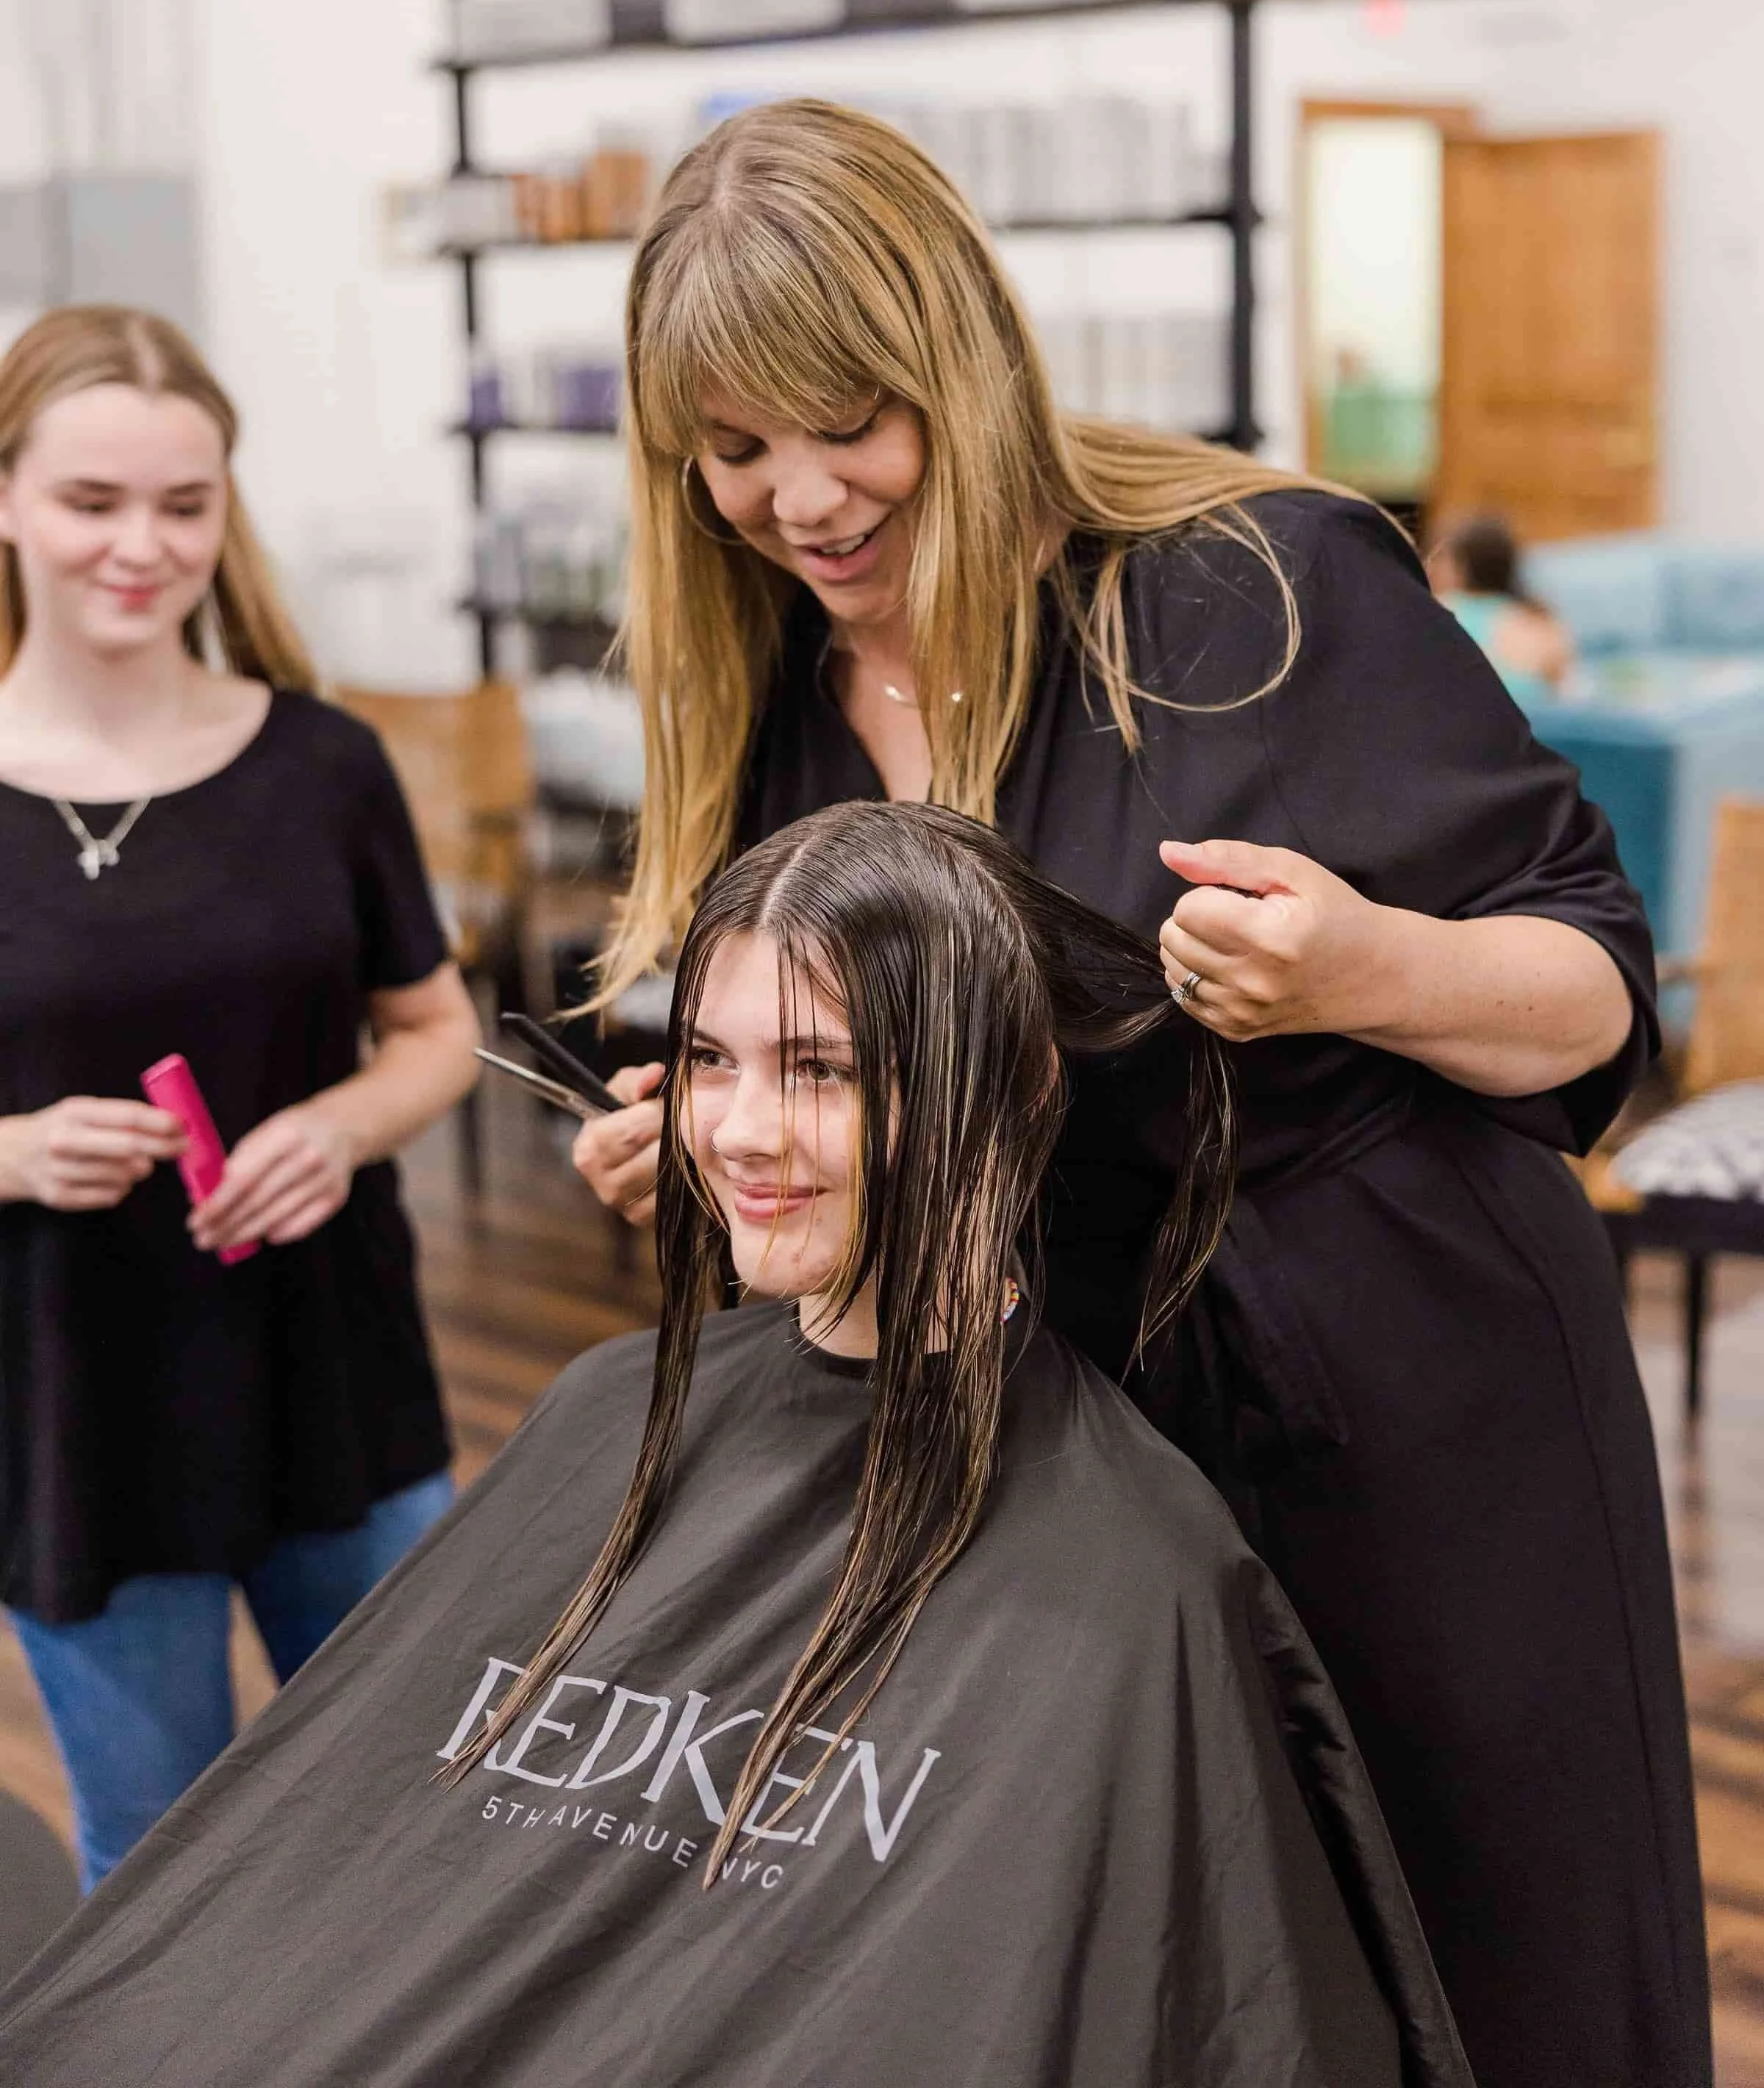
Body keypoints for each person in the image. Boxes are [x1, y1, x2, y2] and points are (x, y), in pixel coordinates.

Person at [573, 99, 1709, 2088]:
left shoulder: (1251, 592)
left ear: (963, 360)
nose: (803, 498)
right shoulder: (767, 702)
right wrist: (732, 1125)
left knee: (1492, 1968)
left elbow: (1604, 1002)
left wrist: (1368, 967)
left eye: (849, 423)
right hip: (1060, 1448)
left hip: (1413, 1405)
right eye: (734, 452)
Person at [0, 804, 1474, 2087]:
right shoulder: (603, 1412)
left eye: (821, 1071)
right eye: (710, 1058)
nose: (738, 1131)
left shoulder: (1134, 1573)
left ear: (1018, 1087)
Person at [0, 303, 478, 1888]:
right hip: (71, 1417)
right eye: (92, 502)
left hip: (332, 1378)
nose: (143, 546)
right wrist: (8, 1152)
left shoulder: (323, 765)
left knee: (428, 1825)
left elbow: (432, 1029)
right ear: (8, 499)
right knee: (161, 1869)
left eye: (184, 505)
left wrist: (340, 1126)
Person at [1430, 510, 1574, 701]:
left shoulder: (1442, 610)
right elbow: (1566, 691)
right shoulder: (1541, 622)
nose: (1430, 568)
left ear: (1461, 567)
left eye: (1439, 558)